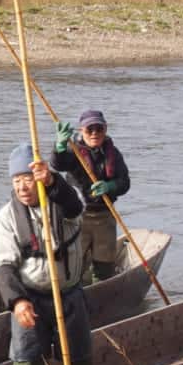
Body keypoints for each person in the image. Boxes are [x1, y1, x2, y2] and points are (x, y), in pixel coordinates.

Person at [0, 143, 93, 365]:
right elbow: (4, 266)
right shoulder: (7, 217)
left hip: (69, 297)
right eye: (16, 181)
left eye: (27, 179)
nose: (22, 187)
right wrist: (18, 302)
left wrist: (52, 181)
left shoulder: (62, 204)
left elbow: (74, 205)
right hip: (31, 301)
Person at [50, 109, 130, 283]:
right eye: (89, 129)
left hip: (105, 216)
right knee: (74, 263)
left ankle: (102, 289)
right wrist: (59, 146)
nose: (94, 133)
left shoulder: (113, 154)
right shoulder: (73, 152)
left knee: (104, 265)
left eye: (99, 129)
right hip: (78, 217)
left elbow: (125, 183)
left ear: (105, 129)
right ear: (81, 131)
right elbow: (57, 164)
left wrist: (111, 186)